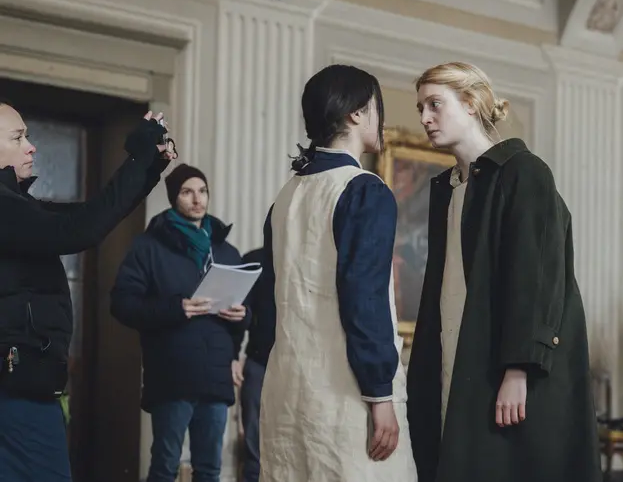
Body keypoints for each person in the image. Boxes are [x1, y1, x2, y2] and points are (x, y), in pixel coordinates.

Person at [406, 61, 601, 482]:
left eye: (435, 104)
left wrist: (518, 370)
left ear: (471, 103)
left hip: (513, 369)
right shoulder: (449, 188)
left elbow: (536, 276)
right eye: (421, 107)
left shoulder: (524, 172)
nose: (424, 118)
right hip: (458, 354)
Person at [0, 101, 176, 481]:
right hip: (16, 391)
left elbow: (91, 214)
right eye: (18, 138)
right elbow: (79, 230)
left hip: (22, 386)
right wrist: (138, 160)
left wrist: (147, 168)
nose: (31, 146)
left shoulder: (16, 205)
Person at [258, 64, 417, 482]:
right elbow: (364, 299)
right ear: (356, 113)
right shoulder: (363, 189)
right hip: (345, 394)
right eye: (377, 107)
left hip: (286, 390)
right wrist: (380, 394)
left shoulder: (285, 197)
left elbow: (268, 302)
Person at [110, 163, 248, 482]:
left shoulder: (226, 252)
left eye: (202, 191)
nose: (197, 199)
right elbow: (122, 304)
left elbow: (244, 311)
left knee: (210, 469)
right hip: (172, 373)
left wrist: (243, 316)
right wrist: (178, 308)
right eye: (187, 192)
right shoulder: (148, 247)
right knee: (165, 466)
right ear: (174, 198)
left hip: (215, 375)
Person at [237, 246, 276, 482]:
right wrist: (233, 355)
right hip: (259, 362)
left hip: (299, 367)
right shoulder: (254, 260)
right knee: (254, 452)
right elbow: (238, 313)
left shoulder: (311, 257)